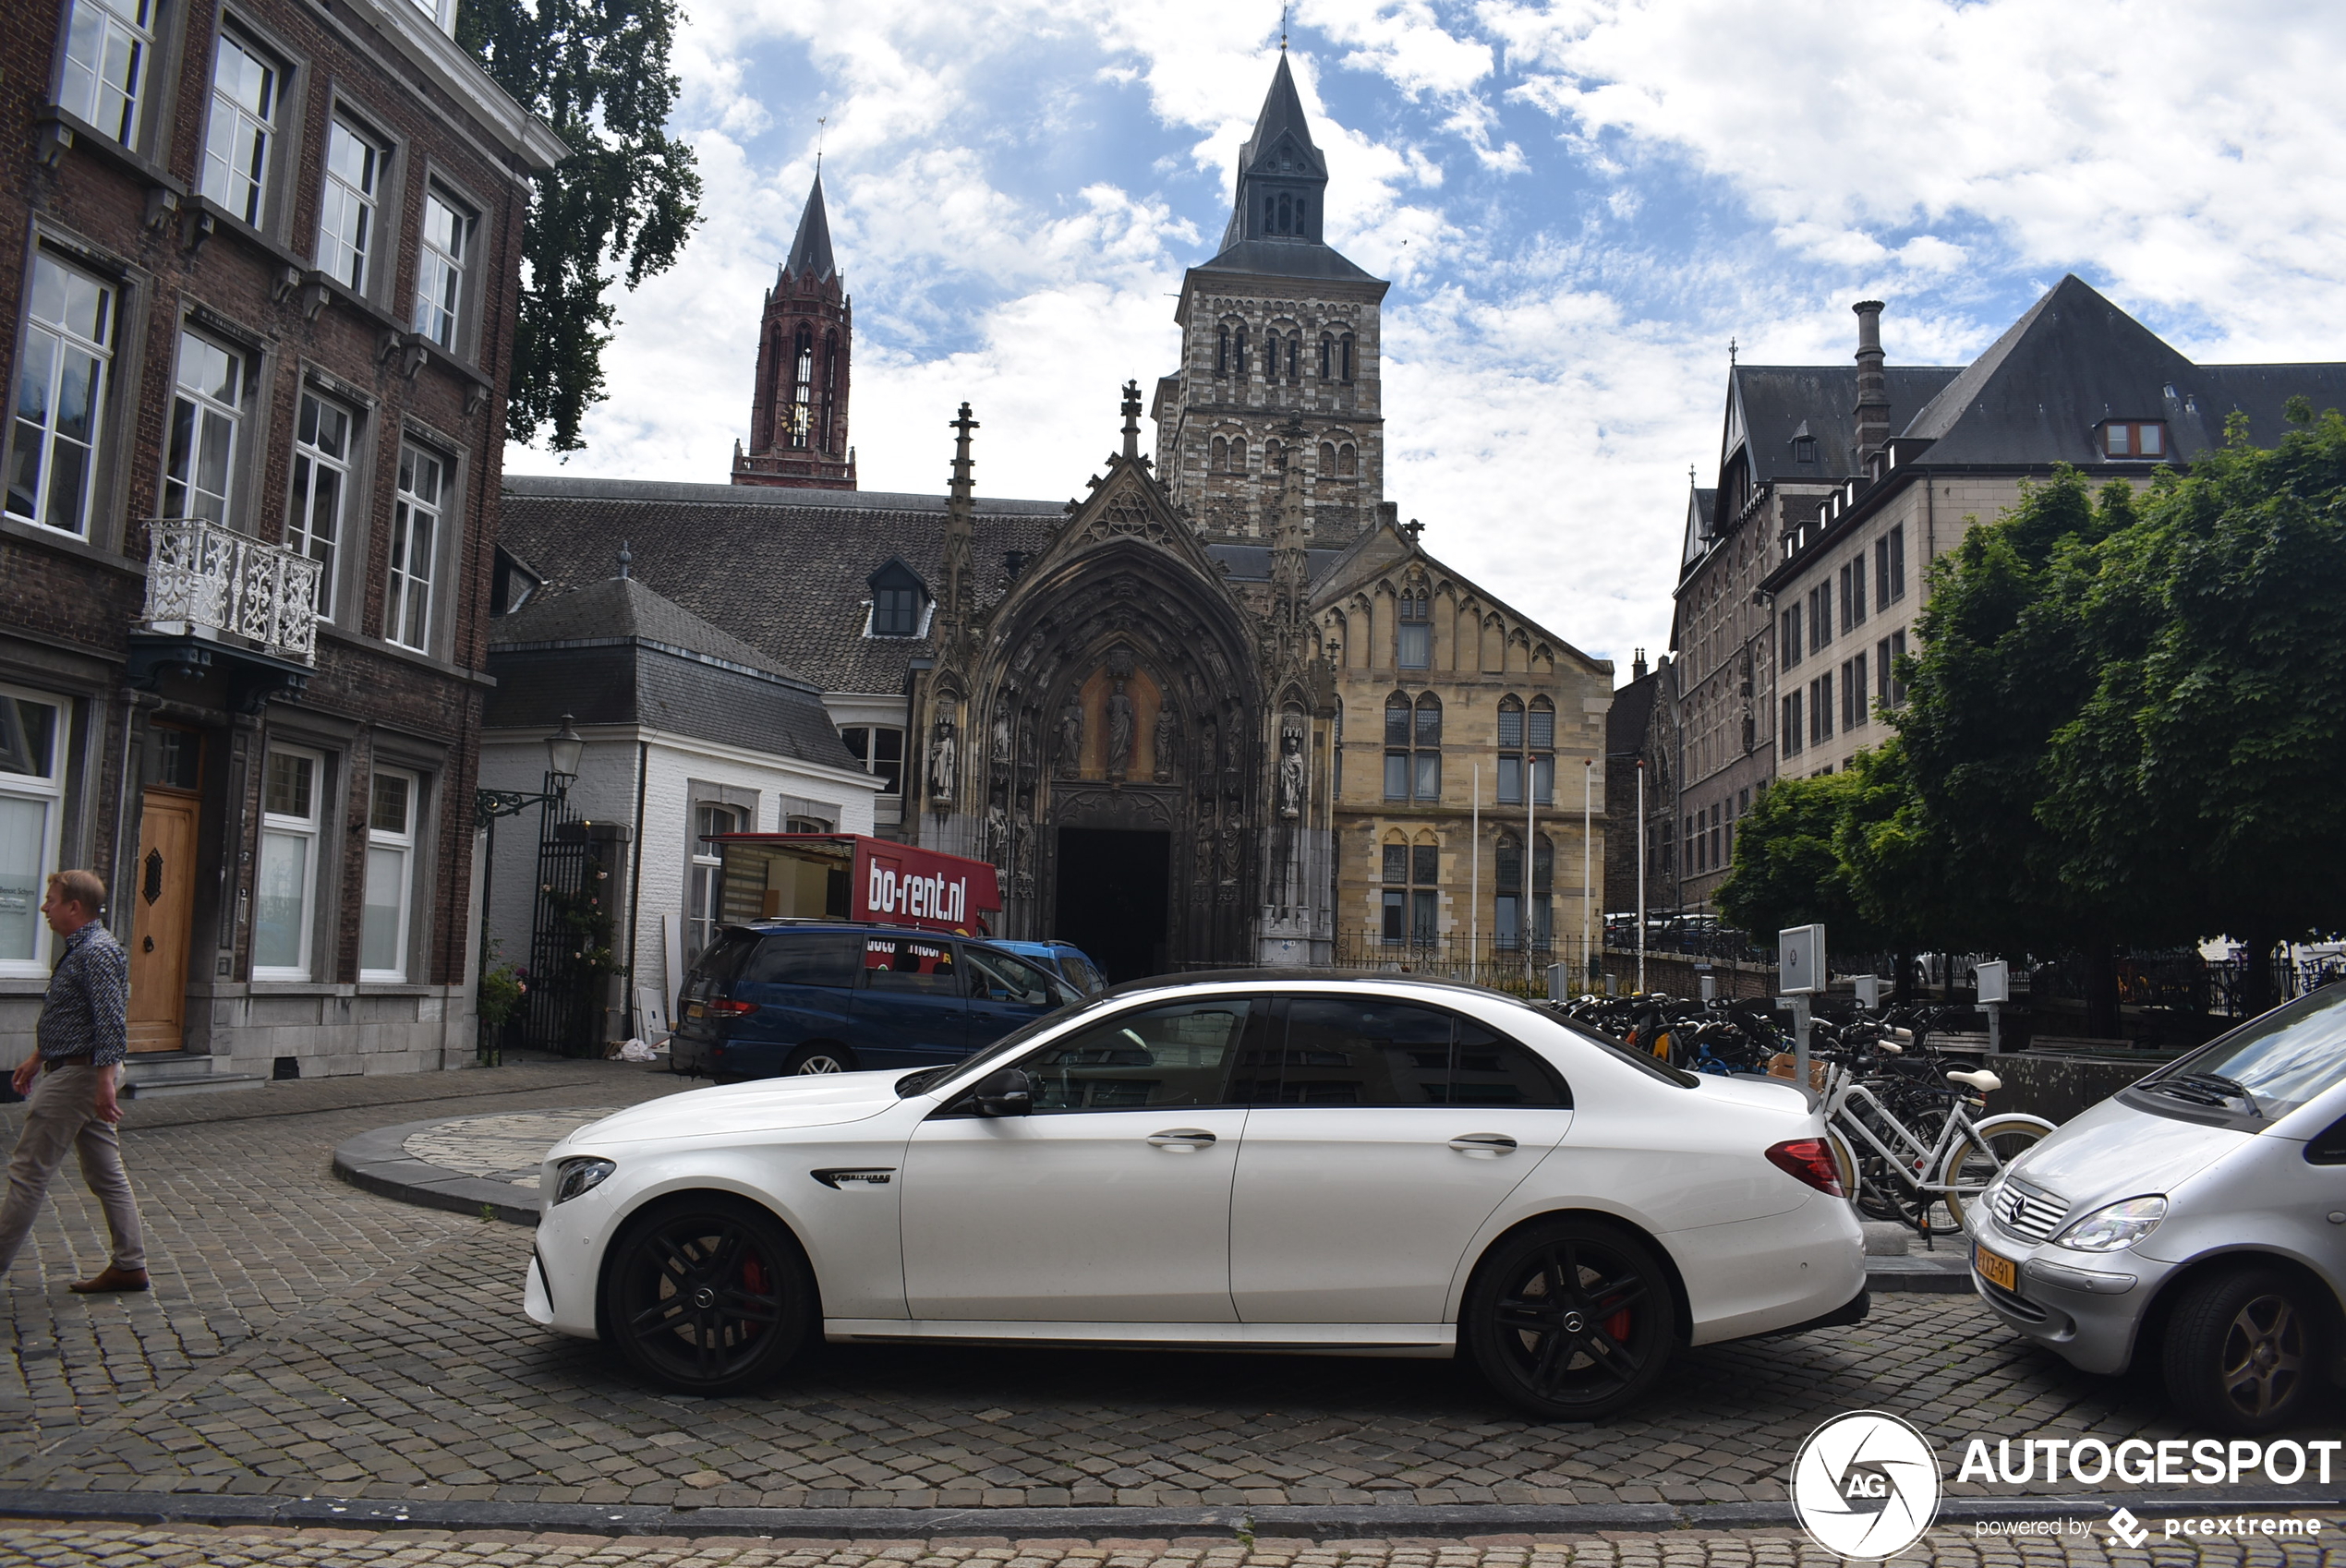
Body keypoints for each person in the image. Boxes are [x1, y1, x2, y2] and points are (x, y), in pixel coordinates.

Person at [0, 869, 149, 1293]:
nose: (44, 907)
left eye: (51, 900)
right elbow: (75, 1016)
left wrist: (104, 1080)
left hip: (79, 1077)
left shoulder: (96, 952)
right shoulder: (82, 948)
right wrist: (37, 1056)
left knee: (28, 1171)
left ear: (74, 907)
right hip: (77, 1069)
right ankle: (129, 1265)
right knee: (106, 1173)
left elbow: (110, 1021)